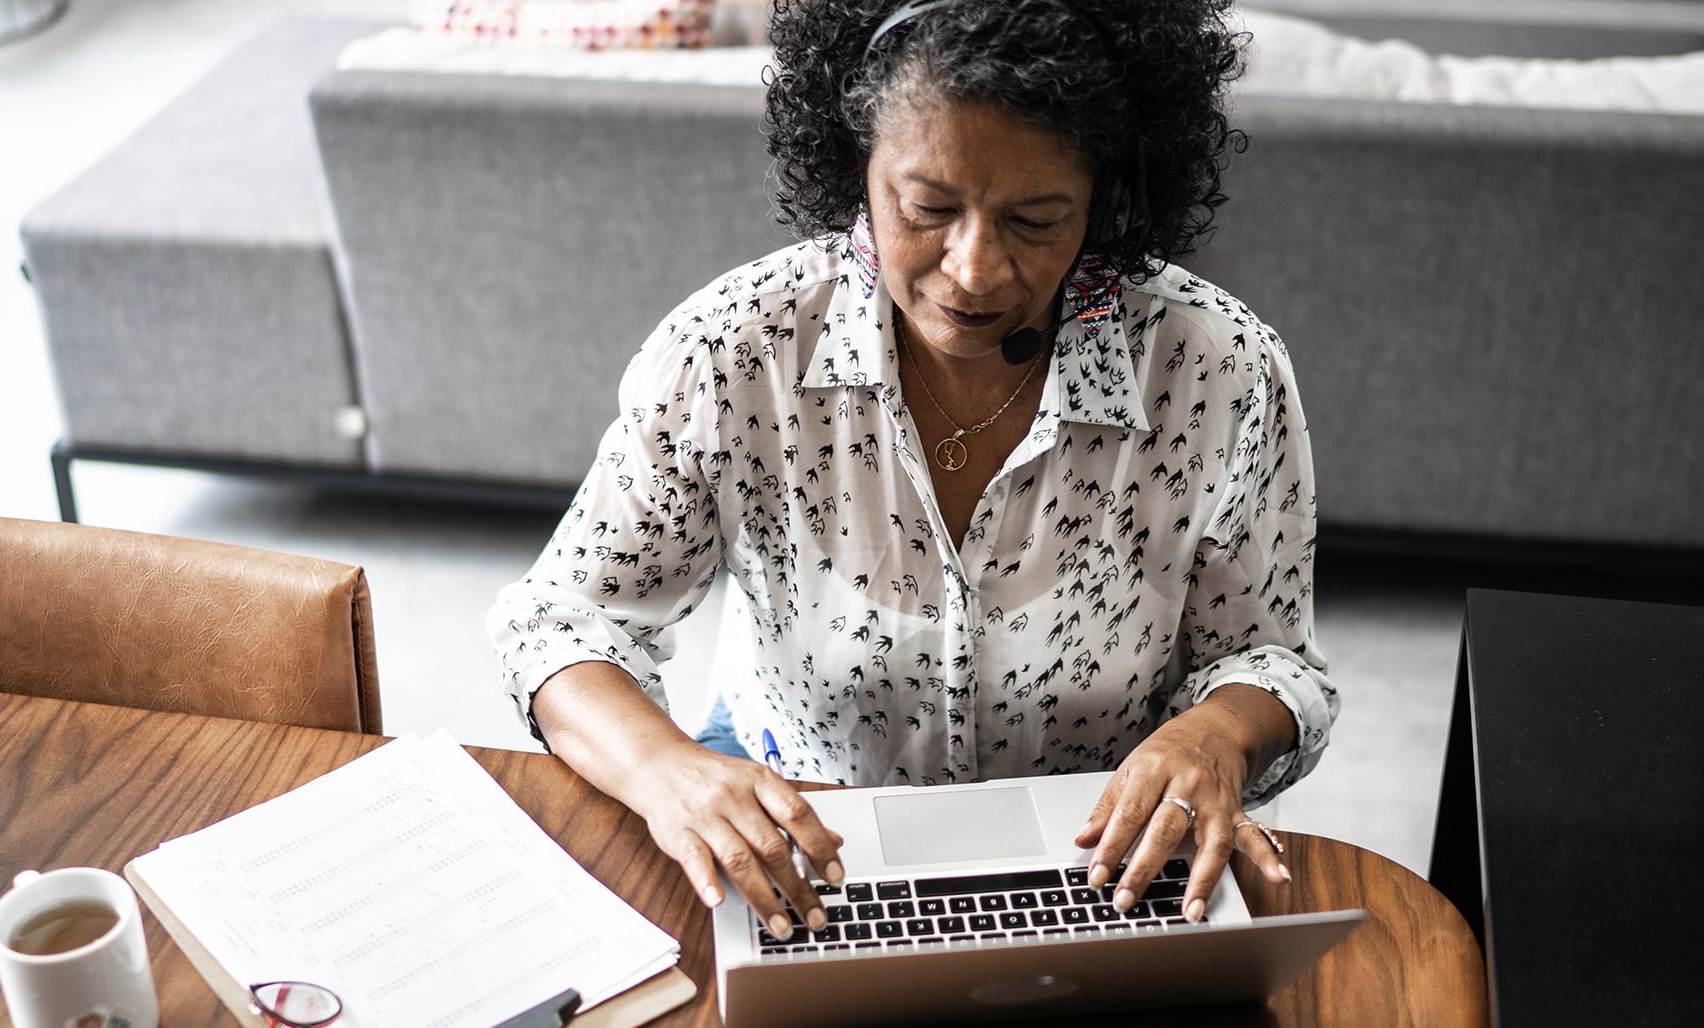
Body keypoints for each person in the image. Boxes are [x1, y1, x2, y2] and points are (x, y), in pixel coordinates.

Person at [487, 0, 1334, 945]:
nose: (972, 271)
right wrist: (662, 768)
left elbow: (1269, 660)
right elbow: (558, 620)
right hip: (805, 823)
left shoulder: (1218, 369)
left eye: (1035, 219)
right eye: (927, 208)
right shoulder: (734, 353)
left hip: (1095, 856)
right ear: (855, 165)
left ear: (1110, 197)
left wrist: (1219, 734)